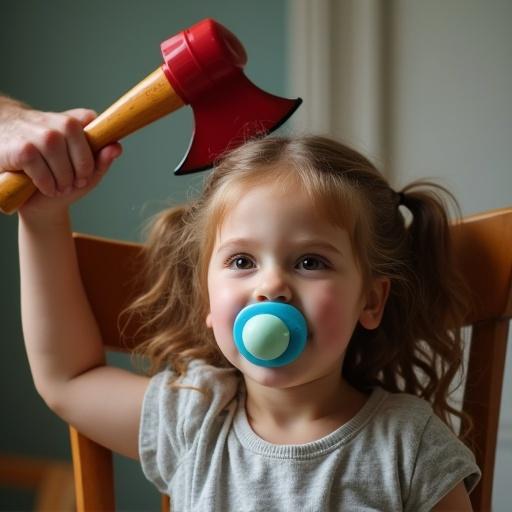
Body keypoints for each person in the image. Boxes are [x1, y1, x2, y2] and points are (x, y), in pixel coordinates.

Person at [2, 96, 480, 511]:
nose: (271, 287)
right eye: (242, 261)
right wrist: (44, 220)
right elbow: (67, 379)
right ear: (208, 300)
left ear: (370, 301)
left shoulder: (409, 447)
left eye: (311, 262)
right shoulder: (193, 419)